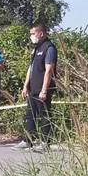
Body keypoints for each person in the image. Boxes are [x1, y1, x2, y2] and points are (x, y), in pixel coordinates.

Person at [14, 23, 58, 151]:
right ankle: (28, 140)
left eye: (33, 34)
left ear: (41, 33)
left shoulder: (49, 48)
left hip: (43, 89)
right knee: (30, 115)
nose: (31, 36)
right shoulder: (36, 48)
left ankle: (45, 143)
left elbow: (49, 70)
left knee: (44, 116)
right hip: (32, 88)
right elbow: (31, 68)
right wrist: (25, 85)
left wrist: (44, 90)